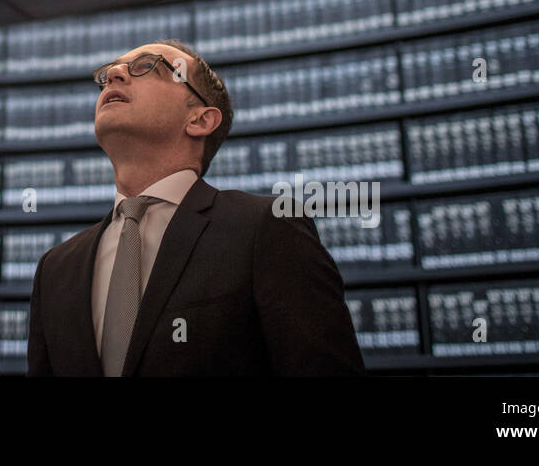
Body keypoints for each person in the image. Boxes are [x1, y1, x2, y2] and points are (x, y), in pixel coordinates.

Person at [28, 40, 367, 375]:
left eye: (148, 66)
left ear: (201, 120)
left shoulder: (267, 228)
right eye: (108, 73)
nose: (114, 74)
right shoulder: (55, 269)